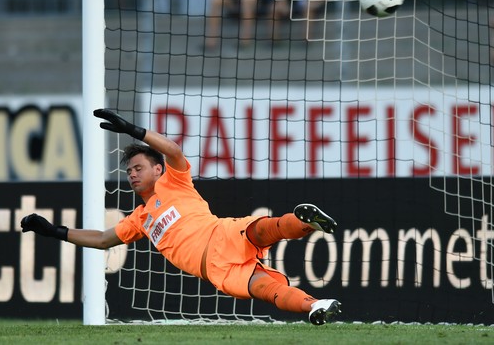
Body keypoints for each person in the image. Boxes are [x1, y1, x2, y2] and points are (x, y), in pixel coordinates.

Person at [21, 108, 342, 325]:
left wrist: (135, 131)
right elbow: (104, 239)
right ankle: (314, 306)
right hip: (218, 271)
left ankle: (305, 223)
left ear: (157, 169)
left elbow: (173, 151)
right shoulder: (140, 218)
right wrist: (55, 232)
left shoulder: (172, 181)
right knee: (268, 290)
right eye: (129, 171)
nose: (132, 175)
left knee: (262, 230)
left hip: (223, 234)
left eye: (138, 168)